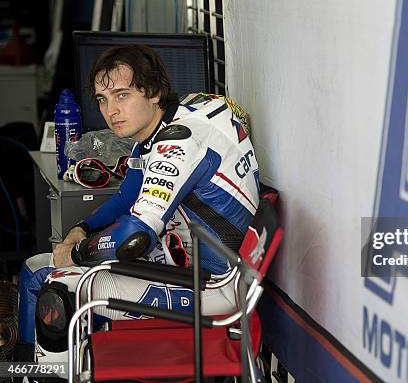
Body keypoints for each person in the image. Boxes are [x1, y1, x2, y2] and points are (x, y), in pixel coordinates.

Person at [17, 44, 261, 366]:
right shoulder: (178, 117)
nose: (110, 111)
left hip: (214, 288)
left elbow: (134, 238)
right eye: (103, 100)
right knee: (36, 265)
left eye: (122, 95)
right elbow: (126, 197)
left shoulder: (179, 141)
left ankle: (43, 373)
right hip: (198, 264)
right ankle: (59, 364)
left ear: (154, 92)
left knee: (53, 283)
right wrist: (82, 229)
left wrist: (75, 254)